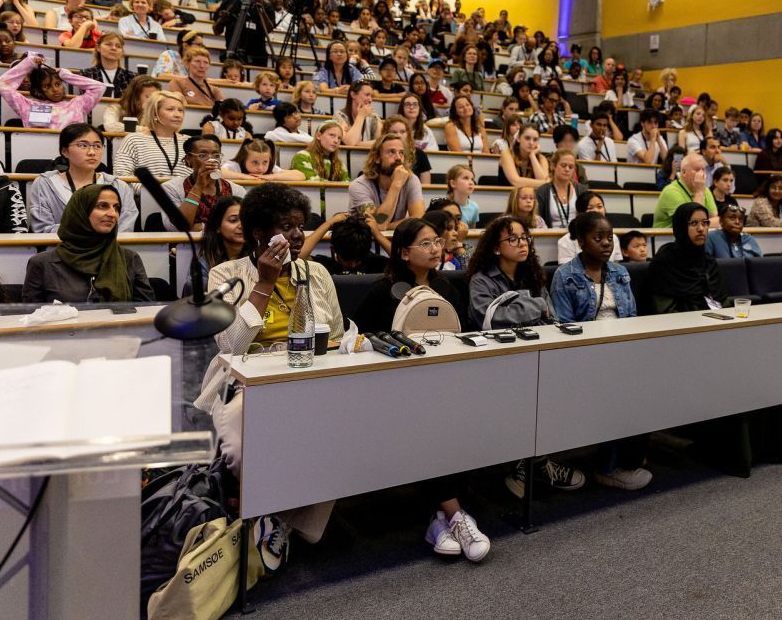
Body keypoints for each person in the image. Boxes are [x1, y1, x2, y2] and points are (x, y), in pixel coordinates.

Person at [202, 184, 343, 563]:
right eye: (287, 225)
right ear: (260, 233)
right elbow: (231, 347)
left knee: (340, 434)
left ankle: (279, 520)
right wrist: (263, 283)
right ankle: (274, 513)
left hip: (311, 375)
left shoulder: (316, 273)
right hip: (250, 381)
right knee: (238, 447)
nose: (298, 235)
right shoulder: (225, 274)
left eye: (302, 225)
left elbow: (337, 335)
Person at [346, 217, 491, 560]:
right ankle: (456, 515)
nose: (435, 249)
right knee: (427, 424)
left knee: (456, 419)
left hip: (443, 386)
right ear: (403, 253)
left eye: (437, 242)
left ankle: (439, 520)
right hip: (394, 392)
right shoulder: (383, 292)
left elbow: (464, 337)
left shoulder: (448, 289)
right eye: (425, 243)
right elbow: (359, 340)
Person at [650, 203, 782, 477]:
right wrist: (706, 321)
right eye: (694, 224)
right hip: (685, 343)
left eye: (704, 223)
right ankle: (726, 451)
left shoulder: (707, 262)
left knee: (768, 369)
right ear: (681, 227)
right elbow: (664, 312)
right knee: (736, 373)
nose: (701, 229)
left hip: (718, 336)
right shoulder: (666, 263)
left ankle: (767, 448)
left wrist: (730, 318)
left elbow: (722, 301)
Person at [467, 215, 586, 498]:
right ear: (496, 247)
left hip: (537, 352)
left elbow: (551, 316)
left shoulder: (531, 274)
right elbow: (490, 319)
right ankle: (532, 464)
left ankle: (533, 464)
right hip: (498, 360)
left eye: (524, 238)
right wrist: (533, 305)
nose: (522, 243)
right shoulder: (481, 280)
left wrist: (527, 307)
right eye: (513, 239)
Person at [550, 210, 652, 490]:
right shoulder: (565, 275)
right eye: (598, 238)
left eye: (610, 238)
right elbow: (563, 327)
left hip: (621, 350)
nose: (607, 243)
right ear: (581, 242)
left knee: (652, 381)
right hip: (585, 355)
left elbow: (631, 317)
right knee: (622, 390)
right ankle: (609, 467)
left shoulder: (620, 272)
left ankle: (628, 457)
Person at [23, 185, 154, 303]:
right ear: (80, 211)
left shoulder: (129, 258)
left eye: (116, 208)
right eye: (102, 206)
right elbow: (31, 319)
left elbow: (145, 312)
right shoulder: (42, 264)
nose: (112, 214)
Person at [28, 124, 138, 233]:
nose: (92, 152)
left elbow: (125, 229)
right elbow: (43, 229)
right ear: (65, 151)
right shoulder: (45, 184)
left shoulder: (118, 186)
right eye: (83, 145)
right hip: (61, 248)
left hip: (108, 249)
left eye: (97, 146)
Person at [0, 51, 105, 128]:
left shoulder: (78, 103)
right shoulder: (26, 105)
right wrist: (29, 63)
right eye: (46, 86)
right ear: (38, 90)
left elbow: (99, 87)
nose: (55, 89)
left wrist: (65, 75)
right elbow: (1, 84)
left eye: (58, 84)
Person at [162, 136, 247, 231]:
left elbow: (245, 224)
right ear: (188, 159)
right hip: (187, 245)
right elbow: (175, 227)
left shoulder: (237, 190)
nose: (211, 161)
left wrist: (201, 226)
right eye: (202, 155)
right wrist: (198, 186)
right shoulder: (171, 188)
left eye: (216, 156)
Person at [349, 132, 425, 231]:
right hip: (364, 243)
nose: (398, 157)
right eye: (391, 152)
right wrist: (396, 184)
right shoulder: (359, 185)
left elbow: (418, 218)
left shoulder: (411, 179)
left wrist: (388, 227)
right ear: (377, 158)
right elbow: (379, 223)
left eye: (401, 152)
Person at [190, 195, 245, 294]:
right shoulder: (204, 264)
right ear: (217, 226)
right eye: (233, 220)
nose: (242, 225)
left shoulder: (260, 257)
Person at [653, 152, 717, 228]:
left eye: (703, 169)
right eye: (697, 170)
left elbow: (715, 218)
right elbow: (691, 222)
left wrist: (701, 223)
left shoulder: (705, 189)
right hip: (665, 238)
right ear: (683, 172)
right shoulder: (671, 191)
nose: (701, 174)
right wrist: (699, 192)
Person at [556, 190, 622, 264]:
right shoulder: (566, 241)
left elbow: (616, 269)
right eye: (590, 208)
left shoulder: (614, 238)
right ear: (579, 213)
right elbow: (566, 271)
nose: (596, 211)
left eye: (599, 206)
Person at [312, 216, 388, 276]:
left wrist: (378, 234)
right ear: (333, 249)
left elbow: (399, 263)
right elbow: (300, 257)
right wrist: (328, 223)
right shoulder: (324, 266)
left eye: (358, 260)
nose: (353, 265)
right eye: (346, 260)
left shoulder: (375, 263)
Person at [535, 150, 586, 231]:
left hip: (577, 236)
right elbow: (538, 221)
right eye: (563, 165)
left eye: (571, 167)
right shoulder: (542, 191)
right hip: (549, 238)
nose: (567, 169)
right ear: (553, 166)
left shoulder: (582, 190)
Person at [167, 46, 224, 110]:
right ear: (187, 63)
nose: (202, 66)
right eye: (197, 61)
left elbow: (224, 112)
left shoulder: (214, 90)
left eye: (206, 62)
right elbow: (179, 108)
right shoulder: (177, 83)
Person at [80, 31, 133, 99]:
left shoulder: (132, 77)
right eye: (108, 44)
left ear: (122, 52)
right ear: (98, 48)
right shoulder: (86, 74)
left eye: (118, 46)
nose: (114, 48)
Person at [381, 115, 433, 184]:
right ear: (386, 134)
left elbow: (425, 188)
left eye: (402, 132)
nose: (399, 135)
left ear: (408, 134)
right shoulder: (380, 152)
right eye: (394, 132)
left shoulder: (420, 155)